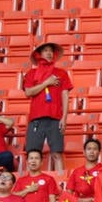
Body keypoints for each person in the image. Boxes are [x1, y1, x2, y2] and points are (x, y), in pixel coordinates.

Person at [21, 42, 72, 173]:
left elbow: (65, 94)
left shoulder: (61, 73)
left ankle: (62, 182)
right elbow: (28, 92)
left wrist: (64, 117)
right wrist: (46, 83)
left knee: (57, 153)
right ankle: (29, 183)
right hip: (36, 119)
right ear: (39, 54)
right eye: (45, 51)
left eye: (51, 51)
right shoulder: (31, 73)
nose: (49, 53)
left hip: (55, 118)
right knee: (32, 155)